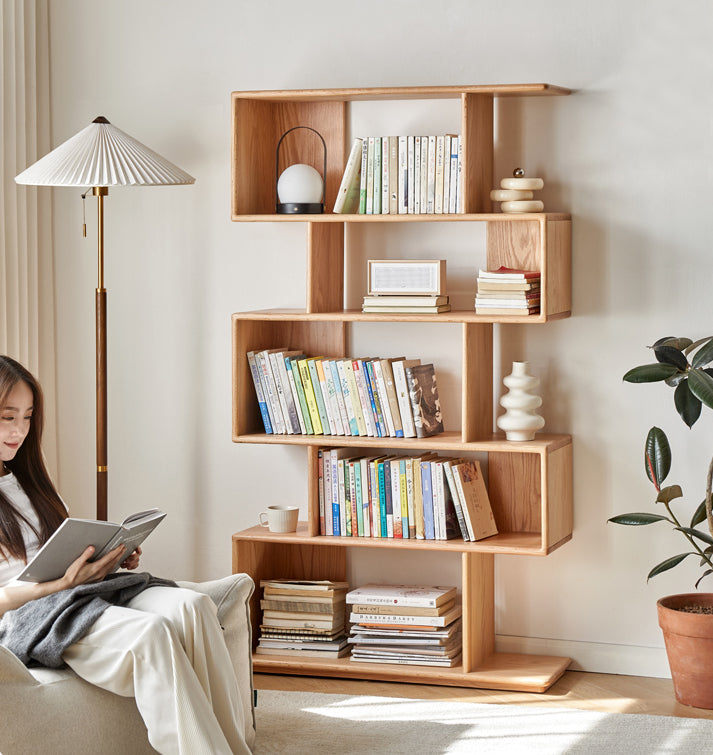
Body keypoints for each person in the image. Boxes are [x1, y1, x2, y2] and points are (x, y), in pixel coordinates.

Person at [0, 355, 250, 755]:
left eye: (27, 417)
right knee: (151, 635)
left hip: (77, 593)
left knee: (195, 608)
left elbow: (60, 550)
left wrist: (110, 557)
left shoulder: (30, 483)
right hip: (29, 616)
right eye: (7, 417)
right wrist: (60, 583)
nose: (19, 431)